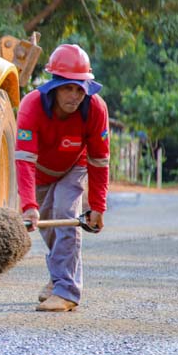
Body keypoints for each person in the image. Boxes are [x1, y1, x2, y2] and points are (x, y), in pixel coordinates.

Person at [15, 43, 110, 312]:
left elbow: (99, 162)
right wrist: (29, 206)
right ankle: (59, 278)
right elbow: (24, 161)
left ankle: (67, 291)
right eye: (68, 87)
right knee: (47, 226)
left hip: (74, 167)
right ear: (54, 86)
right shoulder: (31, 106)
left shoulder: (95, 109)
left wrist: (97, 207)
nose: (75, 95)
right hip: (39, 173)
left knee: (66, 214)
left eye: (80, 88)